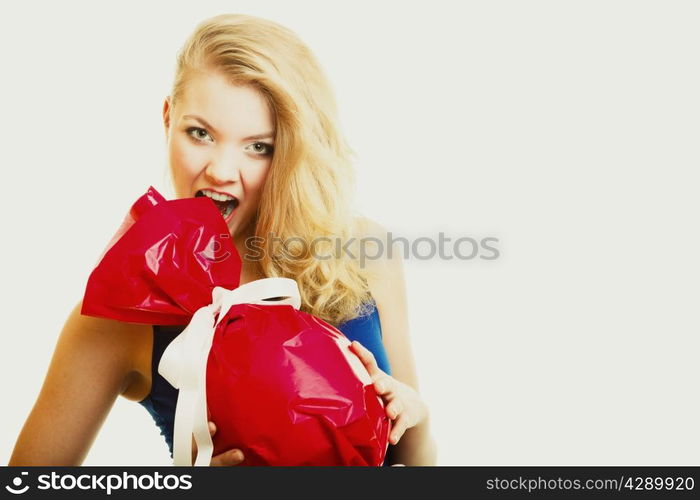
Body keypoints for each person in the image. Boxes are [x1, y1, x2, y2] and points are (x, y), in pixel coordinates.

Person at [9, 13, 437, 466]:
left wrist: (414, 413)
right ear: (168, 118)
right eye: (200, 134)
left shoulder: (362, 250)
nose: (220, 170)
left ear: (293, 151)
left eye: (258, 146)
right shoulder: (122, 307)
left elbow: (419, 462)